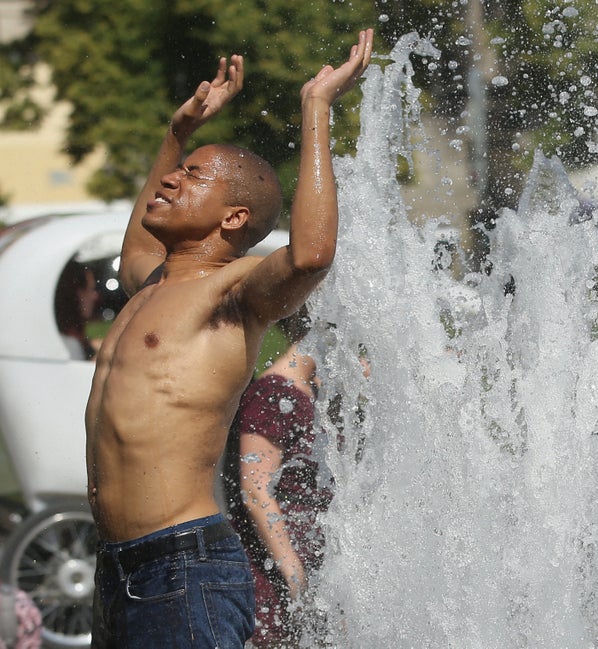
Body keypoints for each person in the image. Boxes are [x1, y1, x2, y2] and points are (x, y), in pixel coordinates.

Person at [84, 29, 374, 649]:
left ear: (234, 218)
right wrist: (175, 134)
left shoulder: (232, 294)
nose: (169, 182)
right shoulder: (151, 282)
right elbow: (137, 241)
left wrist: (316, 108)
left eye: (190, 178)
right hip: (117, 567)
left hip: (181, 565)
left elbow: (311, 254)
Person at [223, 310, 330, 648]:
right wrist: (294, 573)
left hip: (306, 567)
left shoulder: (311, 393)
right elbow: (255, 491)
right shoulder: (272, 395)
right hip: (273, 575)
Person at [54, 259, 101, 360]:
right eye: (90, 289)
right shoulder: (69, 345)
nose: (95, 296)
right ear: (75, 293)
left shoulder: (67, 339)